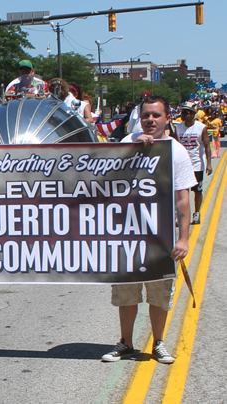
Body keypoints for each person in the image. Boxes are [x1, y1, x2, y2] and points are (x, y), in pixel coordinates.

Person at [102, 96, 196, 364]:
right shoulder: (125, 143)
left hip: (160, 237)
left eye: (156, 115)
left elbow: (182, 198)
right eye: (146, 116)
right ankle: (126, 343)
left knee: (159, 294)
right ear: (139, 118)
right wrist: (132, 149)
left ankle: (158, 343)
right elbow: (106, 181)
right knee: (127, 292)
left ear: (168, 118)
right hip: (126, 234)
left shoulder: (176, 151)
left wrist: (184, 238)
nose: (150, 120)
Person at [175, 102, 213, 225]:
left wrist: (209, 163)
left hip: (197, 164)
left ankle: (196, 213)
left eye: (186, 112)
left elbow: (207, 146)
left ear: (192, 114)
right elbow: (174, 144)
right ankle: (180, 214)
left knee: (197, 190)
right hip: (182, 164)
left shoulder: (201, 127)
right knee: (181, 191)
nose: (183, 115)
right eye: (182, 112)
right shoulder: (178, 127)